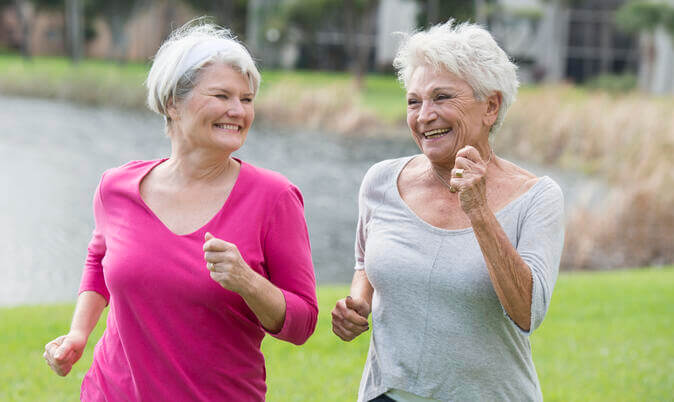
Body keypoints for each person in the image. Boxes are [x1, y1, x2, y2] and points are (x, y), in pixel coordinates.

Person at [43, 18, 318, 401]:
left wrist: (248, 281)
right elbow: (99, 260)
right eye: (222, 96)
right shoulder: (116, 188)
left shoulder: (275, 198)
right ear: (173, 103)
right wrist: (78, 333)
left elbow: (302, 324)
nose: (238, 110)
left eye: (247, 99)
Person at [331, 20, 564, 401]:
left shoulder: (537, 197)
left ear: (490, 106)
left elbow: (528, 313)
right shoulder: (380, 181)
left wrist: (479, 210)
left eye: (441, 98)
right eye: (413, 101)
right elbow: (364, 264)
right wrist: (357, 304)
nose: (424, 115)